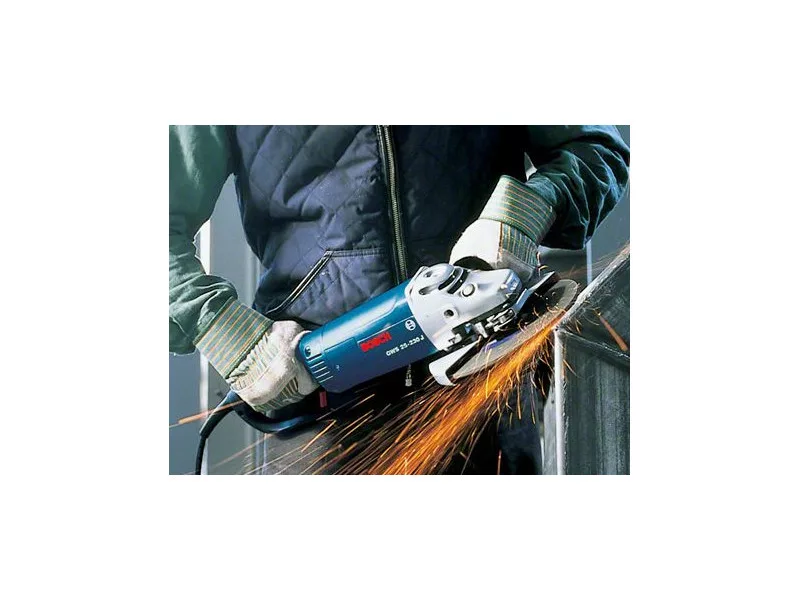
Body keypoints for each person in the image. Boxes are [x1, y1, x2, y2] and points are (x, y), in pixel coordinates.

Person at [170, 126, 630, 474]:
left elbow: (597, 150)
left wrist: (522, 213)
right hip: (315, 407)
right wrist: (219, 327)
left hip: (487, 392)